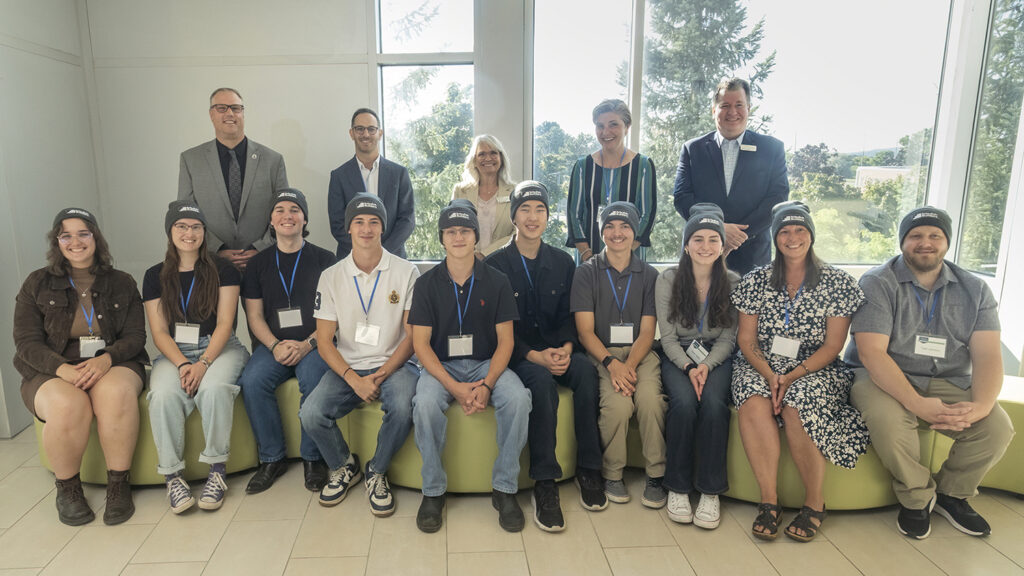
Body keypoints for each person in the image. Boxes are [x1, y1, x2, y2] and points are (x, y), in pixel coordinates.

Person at [846, 207, 1014, 539]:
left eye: (934, 235)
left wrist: (980, 406)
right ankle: (916, 497)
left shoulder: (975, 289)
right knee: (890, 422)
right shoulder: (879, 281)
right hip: (882, 375)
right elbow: (872, 353)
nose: (926, 243)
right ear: (903, 242)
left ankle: (952, 495)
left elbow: (988, 355)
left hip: (949, 378)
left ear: (946, 242)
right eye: (916, 236)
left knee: (996, 427)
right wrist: (917, 403)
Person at [731, 201, 868, 542]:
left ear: (811, 235)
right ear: (775, 238)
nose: (792, 238)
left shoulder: (838, 282)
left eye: (800, 230)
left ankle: (814, 502)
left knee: (798, 402)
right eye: (785, 231)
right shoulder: (756, 280)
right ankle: (769, 501)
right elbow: (746, 339)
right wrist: (768, 374)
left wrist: (791, 377)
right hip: (760, 363)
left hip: (815, 366)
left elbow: (833, 345)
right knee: (752, 400)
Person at [13, 208, 148, 526]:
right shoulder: (37, 283)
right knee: (67, 403)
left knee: (114, 394)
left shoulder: (122, 282)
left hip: (113, 360)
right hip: (51, 368)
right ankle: (69, 489)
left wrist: (106, 359)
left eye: (83, 233)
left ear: (96, 238)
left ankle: (118, 484)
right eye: (66, 235)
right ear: (57, 242)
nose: (75, 241)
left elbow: (135, 336)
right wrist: (62, 369)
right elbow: (26, 342)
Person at [485, 181, 606, 532]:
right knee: (539, 383)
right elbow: (500, 330)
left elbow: (573, 316)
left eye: (540, 210)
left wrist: (567, 350)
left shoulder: (563, 262)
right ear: (515, 216)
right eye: (525, 209)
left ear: (548, 217)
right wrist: (536, 356)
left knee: (585, 372)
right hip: (520, 355)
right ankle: (545, 482)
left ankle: (589, 469)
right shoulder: (496, 266)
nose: (533, 217)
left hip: (560, 350)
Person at [409, 200, 532, 533]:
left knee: (519, 399)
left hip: (485, 364)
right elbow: (420, 345)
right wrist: (454, 387)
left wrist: (488, 384)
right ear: (442, 238)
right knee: (424, 405)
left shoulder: (497, 280)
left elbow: (506, 341)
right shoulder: (425, 283)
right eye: (451, 231)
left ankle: (504, 489)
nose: (458, 237)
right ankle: (433, 491)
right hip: (440, 367)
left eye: (465, 231)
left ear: (476, 237)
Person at [299, 193, 421, 517]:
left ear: (382, 228)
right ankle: (343, 466)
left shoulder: (406, 272)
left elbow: (412, 335)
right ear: (348, 229)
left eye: (373, 222)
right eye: (359, 222)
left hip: (397, 363)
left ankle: (376, 471)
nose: (366, 229)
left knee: (402, 405)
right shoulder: (332, 276)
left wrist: (381, 374)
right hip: (349, 364)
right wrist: (354, 379)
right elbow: (324, 341)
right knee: (310, 413)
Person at [143, 200, 250, 514]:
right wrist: (183, 364)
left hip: (219, 348)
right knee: (162, 394)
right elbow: (159, 332)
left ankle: (217, 470)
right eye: (181, 226)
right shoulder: (154, 275)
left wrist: (203, 363)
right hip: (174, 352)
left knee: (215, 389)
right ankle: (173, 476)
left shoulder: (223, 269)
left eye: (195, 227)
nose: (189, 233)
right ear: (170, 231)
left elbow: (225, 323)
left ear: (204, 231)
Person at [237, 189, 336, 494]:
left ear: (304, 218)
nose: (287, 216)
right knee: (252, 380)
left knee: (314, 377)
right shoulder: (257, 264)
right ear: (271, 220)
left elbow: (335, 315)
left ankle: (313, 457)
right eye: (279, 210)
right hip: (273, 344)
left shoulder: (325, 259)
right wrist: (276, 346)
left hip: (315, 343)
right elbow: (254, 316)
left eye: (294, 209)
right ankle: (272, 458)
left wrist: (307, 344)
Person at [571, 202, 666, 507]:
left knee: (651, 401)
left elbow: (648, 332)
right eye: (610, 226)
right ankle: (612, 473)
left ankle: (656, 474)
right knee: (618, 406)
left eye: (624, 226)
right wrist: (612, 364)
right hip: (602, 353)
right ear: (601, 232)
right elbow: (585, 331)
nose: (617, 233)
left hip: (641, 354)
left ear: (635, 233)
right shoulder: (586, 273)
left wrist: (630, 366)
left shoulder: (650, 275)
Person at [655, 203, 739, 529]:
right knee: (684, 403)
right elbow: (668, 337)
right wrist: (690, 367)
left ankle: (710, 490)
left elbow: (728, 339)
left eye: (713, 240)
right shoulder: (669, 279)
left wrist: (707, 366)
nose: (705, 246)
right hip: (678, 356)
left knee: (715, 405)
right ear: (686, 244)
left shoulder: (732, 280)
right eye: (698, 239)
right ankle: (677, 486)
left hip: (717, 358)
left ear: (722, 246)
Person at [673, 77, 789, 276]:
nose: (732, 112)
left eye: (739, 105)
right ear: (713, 111)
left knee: (749, 309)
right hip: (703, 253)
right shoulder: (693, 149)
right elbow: (682, 197)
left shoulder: (772, 148)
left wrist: (739, 234)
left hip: (752, 256)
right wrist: (717, 228)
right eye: (725, 105)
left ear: (749, 108)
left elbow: (777, 197)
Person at [178, 87, 289, 270]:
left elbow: (284, 212)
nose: (230, 113)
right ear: (211, 114)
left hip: (262, 261)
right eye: (221, 108)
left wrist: (259, 248)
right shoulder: (191, 160)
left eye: (236, 108)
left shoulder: (272, 160)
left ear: (243, 113)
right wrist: (217, 249)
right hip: (211, 262)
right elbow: (186, 214)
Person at [566, 99, 657, 263]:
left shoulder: (643, 165)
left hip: (629, 257)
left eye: (613, 124)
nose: (605, 132)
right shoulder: (582, 166)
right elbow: (574, 214)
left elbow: (647, 215)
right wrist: (587, 256)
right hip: (589, 257)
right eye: (600, 126)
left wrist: (621, 254)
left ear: (627, 127)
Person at [328, 108, 415, 259]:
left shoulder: (399, 174)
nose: (366, 134)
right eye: (359, 129)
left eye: (371, 129)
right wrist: (363, 251)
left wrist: (381, 253)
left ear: (380, 133)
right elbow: (337, 224)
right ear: (352, 133)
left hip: (392, 258)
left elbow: (407, 219)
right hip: (351, 259)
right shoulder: (339, 176)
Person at [452, 134, 517, 258]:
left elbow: (517, 233)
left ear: (501, 158)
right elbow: (452, 228)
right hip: (467, 262)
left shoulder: (515, 192)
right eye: (482, 154)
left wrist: (484, 254)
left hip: (503, 262)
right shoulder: (461, 191)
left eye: (493, 153)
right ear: (474, 160)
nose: (488, 158)